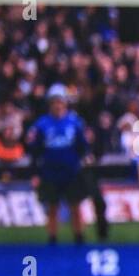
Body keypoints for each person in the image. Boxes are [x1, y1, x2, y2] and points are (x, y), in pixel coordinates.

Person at [25, 85, 93, 244]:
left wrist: (86, 161)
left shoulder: (75, 122)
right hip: (50, 172)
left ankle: (78, 237)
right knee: (52, 208)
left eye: (60, 101)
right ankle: (53, 238)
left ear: (65, 103)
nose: (57, 105)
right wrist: (35, 173)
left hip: (72, 171)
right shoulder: (42, 124)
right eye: (54, 102)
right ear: (50, 104)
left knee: (75, 206)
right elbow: (35, 151)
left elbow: (83, 146)